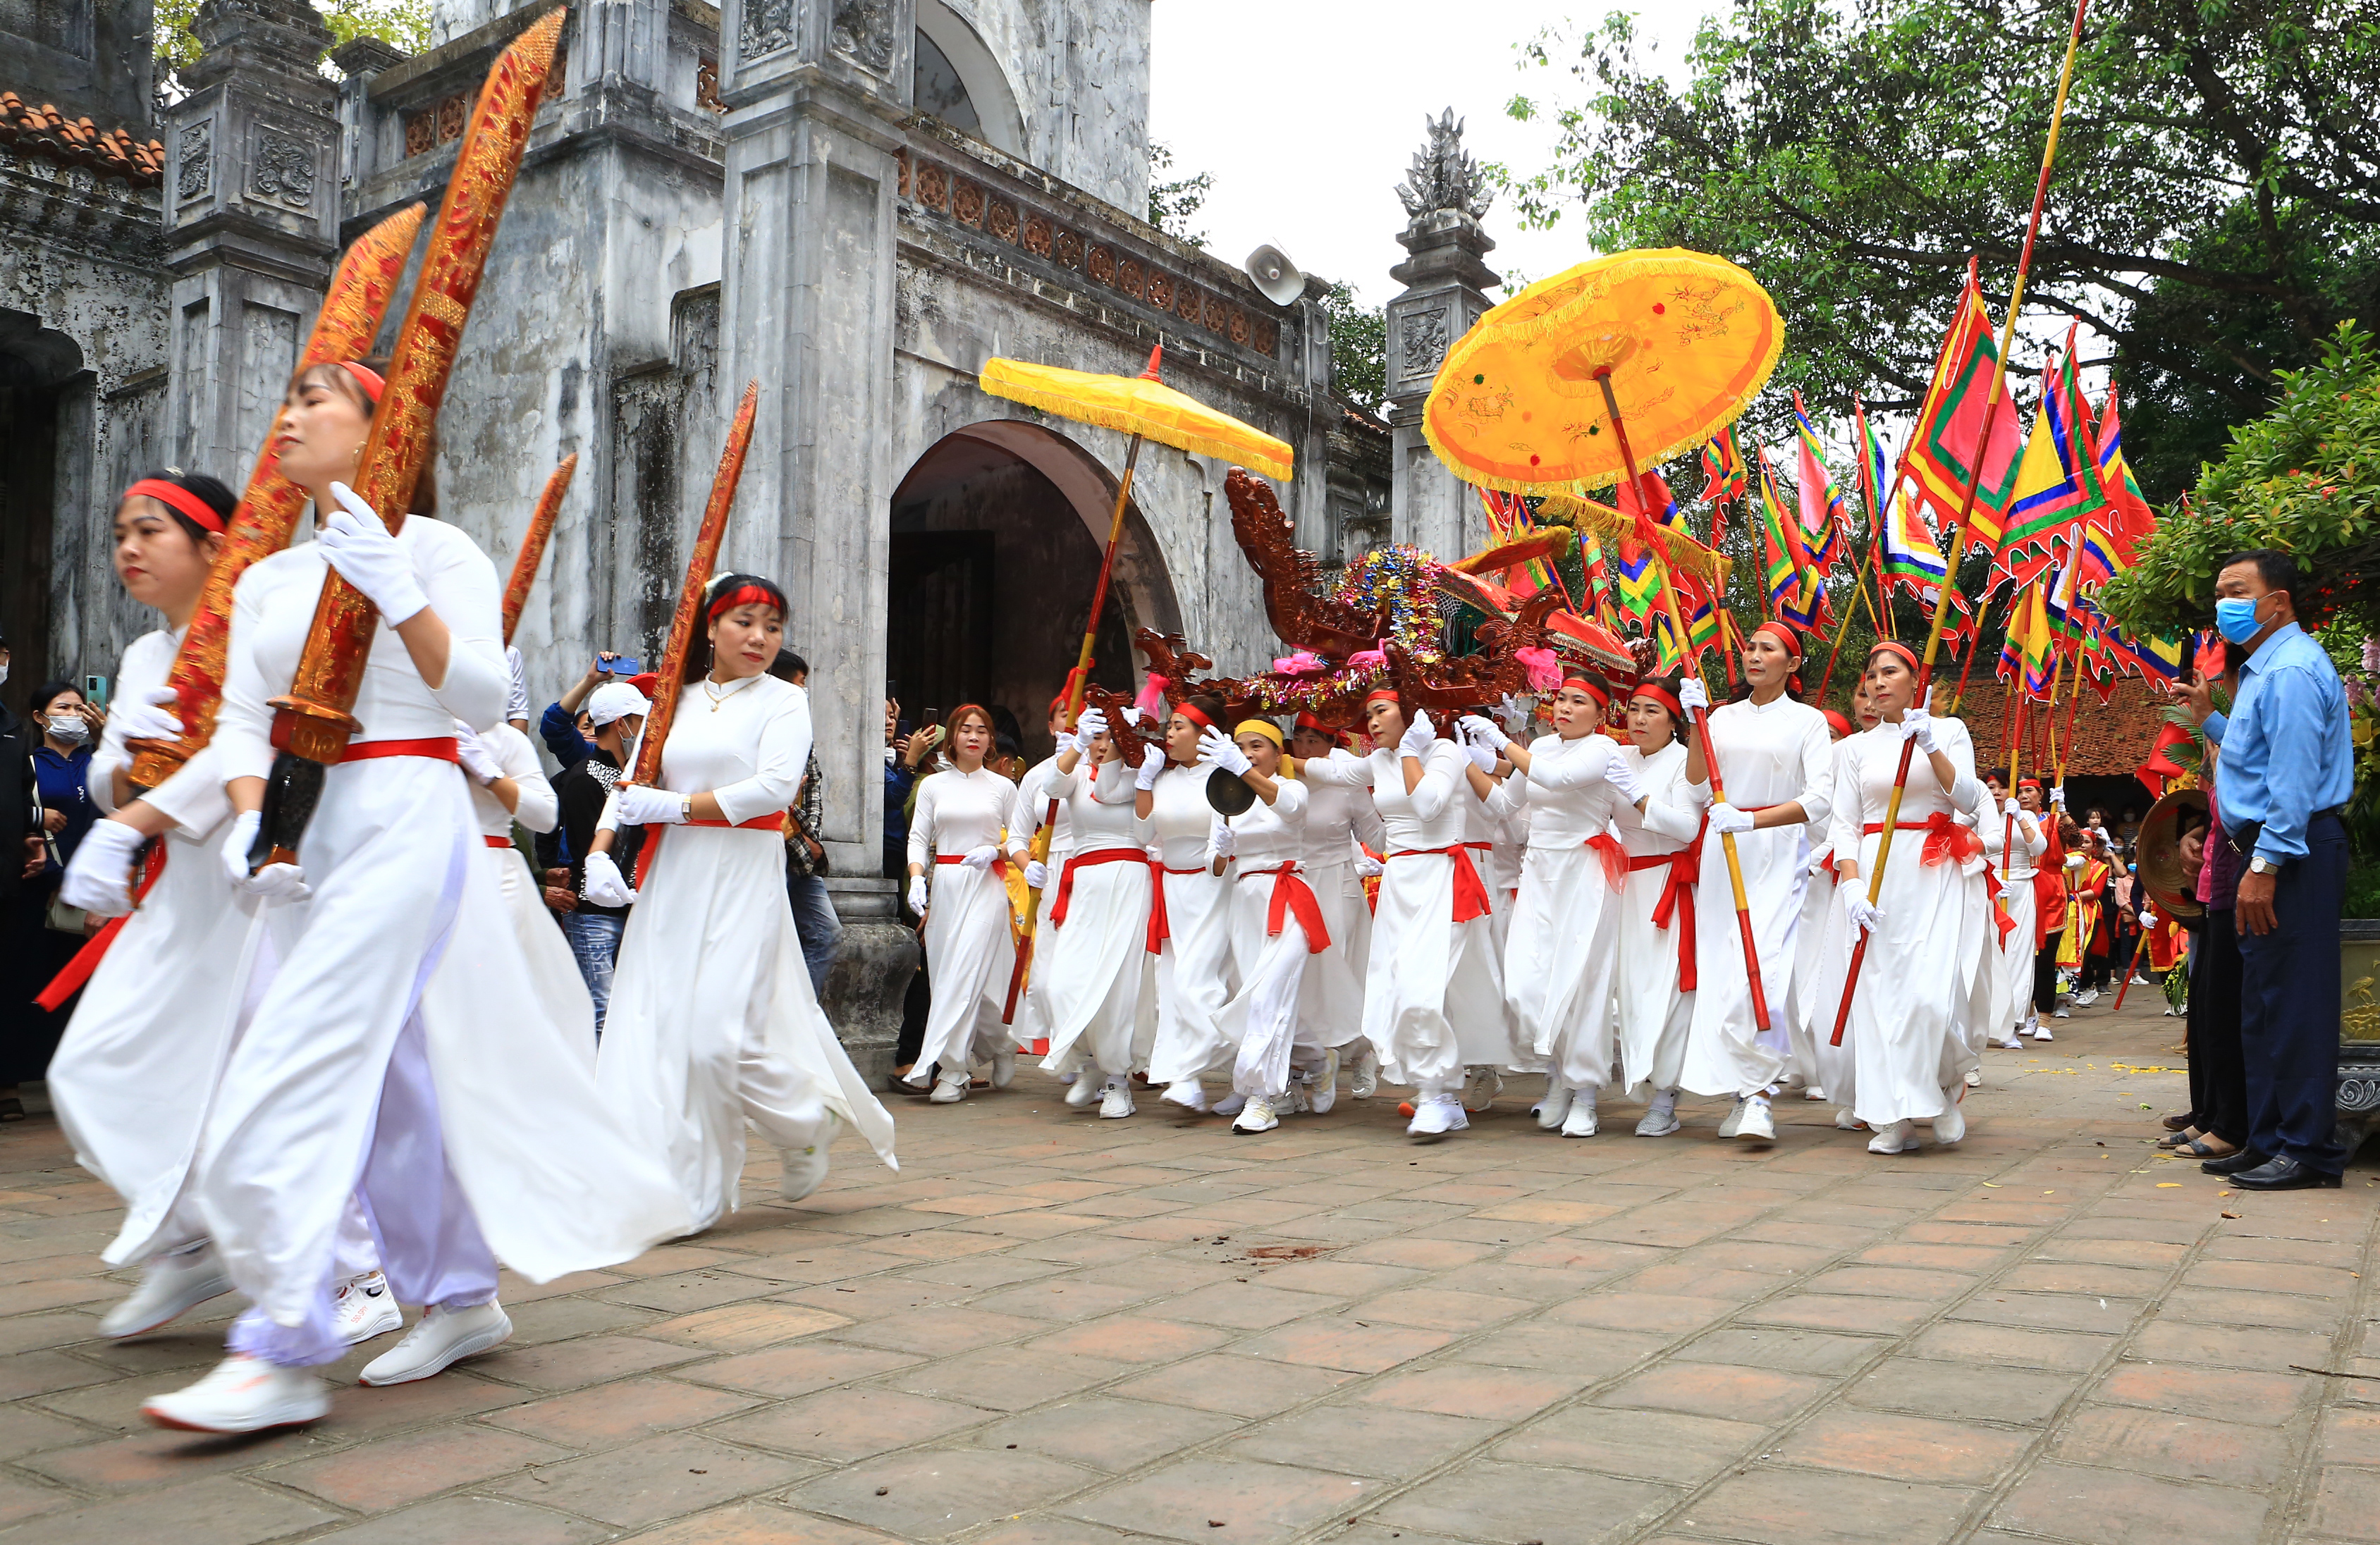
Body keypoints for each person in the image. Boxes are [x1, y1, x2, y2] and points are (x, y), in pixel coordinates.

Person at [126, 359, 685, 1431]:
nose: (287, 417)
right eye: (285, 398)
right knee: (396, 1088)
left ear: (389, 433)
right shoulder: (276, 580)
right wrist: (253, 816)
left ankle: (283, 1343)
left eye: (316, 402)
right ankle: (462, 1296)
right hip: (310, 835)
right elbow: (249, 719)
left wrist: (401, 591)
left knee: (299, 1064)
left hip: (409, 816)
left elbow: (478, 691)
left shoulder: (439, 552)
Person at [585, 572, 896, 1229]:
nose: (759, 638)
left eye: (772, 627)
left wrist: (675, 806)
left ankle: (803, 1123)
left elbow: (774, 790)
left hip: (743, 878)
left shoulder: (784, 701)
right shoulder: (673, 697)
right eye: (744, 622)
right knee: (655, 1030)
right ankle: (672, 1193)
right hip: (672, 880)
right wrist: (597, 852)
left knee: (711, 1038)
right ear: (710, 629)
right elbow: (629, 784)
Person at [2180, 549, 2354, 1190]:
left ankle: (2308, 1149)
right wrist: (2210, 720)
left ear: (2277, 601)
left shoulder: (2291, 672)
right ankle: (2269, 1136)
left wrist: (2266, 862)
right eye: (2220, 589)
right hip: (2269, 846)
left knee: (2295, 1004)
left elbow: (2293, 778)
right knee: (2262, 1006)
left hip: (2294, 849)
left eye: (2237, 589)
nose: (2224, 601)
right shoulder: (2264, 670)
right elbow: (2255, 754)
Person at [1302, 689, 1514, 1140]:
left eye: (1382, 712)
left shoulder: (1445, 753)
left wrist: (1415, 752)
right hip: (1401, 882)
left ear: (1413, 713)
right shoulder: (1379, 760)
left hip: (1443, 878)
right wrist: (1259, 762)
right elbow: (1330, 769)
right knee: (1402, 984)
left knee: (1424, 985)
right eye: (1369, 714)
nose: (1372, 723)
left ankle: (1436, 1093)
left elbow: (1428, 804)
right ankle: (1444, 1094)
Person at [1829, 642, 1992, 1154]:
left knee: (1928, 996)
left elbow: (1968, 798)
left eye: (1890, 672)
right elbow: (1845, 823)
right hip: (1876, 872)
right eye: (1872, 674)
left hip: (1932, 866)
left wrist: (1928, 747)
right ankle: (1892, 1115)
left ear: (1915, 679)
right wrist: (1851, 881)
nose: (1878, 683)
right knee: (1879, 997)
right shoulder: (1854, 748)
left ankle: (1939, 1091)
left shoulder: (1948, 731)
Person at [1677, 622, 1834, 1143]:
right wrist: (1696, 723)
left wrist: (1752, 820)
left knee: (1761, 970)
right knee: (1727, 970)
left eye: (1768, 648)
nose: (1754, 654)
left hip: (1777, 852)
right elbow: (1697, 783)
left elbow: (1819, 800)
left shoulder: (1808, 722)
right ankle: (1742, 1090)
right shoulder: (1722, 716)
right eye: (1750, 646)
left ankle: (1760, 1096)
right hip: (1723, 856)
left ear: (1793, 665)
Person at [1462, 675, 1638, 1137]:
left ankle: (1583, 1093)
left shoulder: (1604, 750)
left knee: (1581, 983)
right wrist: (1465, 763)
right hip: (1539, 872)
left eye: (1578, 701)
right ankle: (1560, 1073)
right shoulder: (1540, 746)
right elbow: (1505, 804)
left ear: (1600, 713)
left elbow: (1556, 778)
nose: (1564, 707)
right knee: (1529, 981)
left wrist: (1501, 742)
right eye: (1561, 698)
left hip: (1585, 871)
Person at [1202, 717, 1353, 1132]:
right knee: (1258, 999)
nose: (1249, 753)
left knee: (1270, 995)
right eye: (1241, 747)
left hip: (1288, 899)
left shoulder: (1290, 787)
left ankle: (1261, 1097)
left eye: (1257, 746)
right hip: (1246, 903)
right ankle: (1317, 1060)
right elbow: (1214, 866)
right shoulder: (1226, 798)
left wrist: (1241, 769)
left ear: (1275, 751)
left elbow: (1288, 809)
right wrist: (1222, 850)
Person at [902, 702, 1031, 1101]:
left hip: (986, 885)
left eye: (981, 730)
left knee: (966, 973)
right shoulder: (933, 786)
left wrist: (996, 851)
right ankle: (1003, 1042)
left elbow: (1021, 838)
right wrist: (917, 879)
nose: (973, 737)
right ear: (952, 738)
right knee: (948, 979)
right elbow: (919, 839)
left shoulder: (1004, 788)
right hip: (946, 886)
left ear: (991, 740)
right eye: (965, 730)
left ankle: (951, 1072)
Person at [1032, 704, 1153, 1117]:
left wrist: (1146, 782)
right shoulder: (1078, 772)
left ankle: (1118, 1080)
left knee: (1118, 987)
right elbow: (1049, 786)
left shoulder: (1144, 775)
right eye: (1097, 738)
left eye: (1111, 739)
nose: (1102, 747)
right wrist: (1078, 743)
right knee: (1059, 983)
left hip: (1131, 881)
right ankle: (1087, 1063)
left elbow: (1147, 832)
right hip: (1084, 884)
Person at [1128, 693, 1243, 1114]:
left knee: (1199, 982)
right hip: (1172, 890)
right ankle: (1191, 1078)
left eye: (1179, 726)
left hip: (1214, 888)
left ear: (1204, 733)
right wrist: (1143, 782)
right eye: (1169, 726)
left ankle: (1194, 1073)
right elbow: (1143, 836)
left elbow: (1226, 844)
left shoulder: (1225, 778)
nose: (1169, 733)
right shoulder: (1163, 779)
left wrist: (1221, 858)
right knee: (1173, 986)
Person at [1608, 676, 1703, 1135]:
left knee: (1669, 993)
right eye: (1633, 709)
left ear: (1673, 721)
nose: (1639, 719)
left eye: (1652, 711)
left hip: (1668, 882)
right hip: (1624, 886)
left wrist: (1639, 796)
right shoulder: (1617, 757)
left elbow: (1687, 827)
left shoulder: (1686, 762)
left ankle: (1666, 1098)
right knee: (1629, 990)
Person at [10, 681, 102, 1092]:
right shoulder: (26, 763)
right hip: (40, 888)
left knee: (90, 988)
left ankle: (81, 1079)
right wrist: (34, 817)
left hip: (97, 891)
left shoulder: (100, 763)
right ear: (39, 717)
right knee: (30, 980)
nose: (74, 715)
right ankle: (14, 1078)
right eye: (63, 707)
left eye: (81, 708)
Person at [541, 680, 647, 1033]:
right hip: (593, 912)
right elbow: (594, 851)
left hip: (630, 907)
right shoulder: (586, 778)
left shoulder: (630, 777)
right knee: (602, 1010)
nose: (644, 731)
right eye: (638, 721)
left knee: (628, 1010)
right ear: (621, 725)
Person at [1289, 713, 1385, 1097]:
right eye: (1299, 739)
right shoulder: (1278, 778)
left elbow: (1376, 834)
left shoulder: (1346, 780)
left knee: (1341, 970)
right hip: (1294, 882)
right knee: (1298, 972)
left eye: (1315, 740)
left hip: (1337, 881)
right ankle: (1310, 1060)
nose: (1306, 749)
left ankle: (1360, 1052)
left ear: (1332, 743)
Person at [771, 651, 840, 998]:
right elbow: (773, 797)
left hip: (801, 857)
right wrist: (806, 840)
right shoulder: (762, 728)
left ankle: (800, 1015)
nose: (804, 692)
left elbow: (811, 790)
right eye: (800, 685)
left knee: (827, 934)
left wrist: (808, 837)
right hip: (771, 847)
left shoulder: (802, 733)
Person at [1982, 773, 2047, 1051]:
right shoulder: (1979, 814)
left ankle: (2011, 1024)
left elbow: (2039, 847)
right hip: (1988, 886)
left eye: (2000, 787)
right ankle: (1984, 1020)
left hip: (2019, 887)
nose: (1996, 792)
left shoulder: (2025, 816)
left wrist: (2019, 816)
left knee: (2018, 954)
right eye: (1990, 788)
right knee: (1988, 954)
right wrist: (1988, 876)